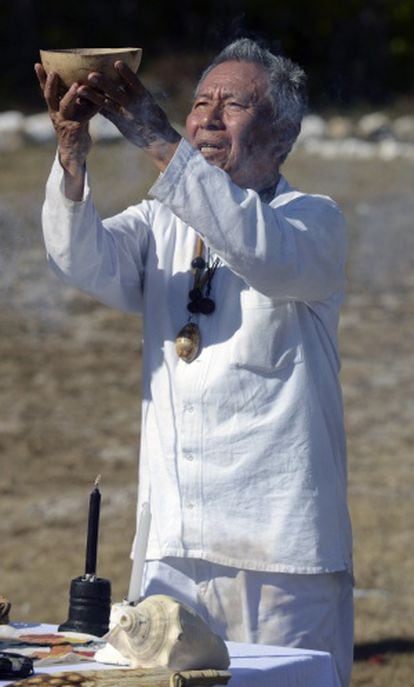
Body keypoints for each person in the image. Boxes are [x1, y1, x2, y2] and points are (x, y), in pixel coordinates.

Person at [35, 38, 353, 686]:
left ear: (282, 135)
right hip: (172, 553)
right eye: (200, 101)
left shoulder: (312, 223)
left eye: (231, 105)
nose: (206, 117)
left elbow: (259, 250)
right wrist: (72, 153)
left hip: (279, 559)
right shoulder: (163, 220)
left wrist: (159, 138)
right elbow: (83, 257)